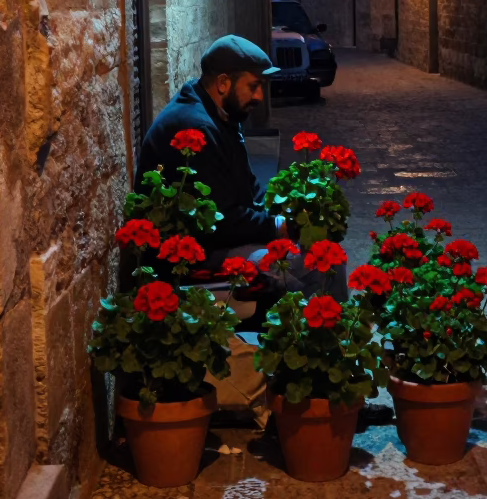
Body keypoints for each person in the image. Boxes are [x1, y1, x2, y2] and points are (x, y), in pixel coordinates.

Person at [136, 34, 346, 301]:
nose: (259, 96)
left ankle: (317, 331)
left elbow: (249, 187)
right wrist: (277, 227)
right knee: (320, 264)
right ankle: (320, 334)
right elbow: (221, 221)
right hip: (194, 256)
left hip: (222, 239)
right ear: (223, 82)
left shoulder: (221, 112)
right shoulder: (196, 128)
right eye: (254, 85)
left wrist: (285, 214)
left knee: (323, 249)